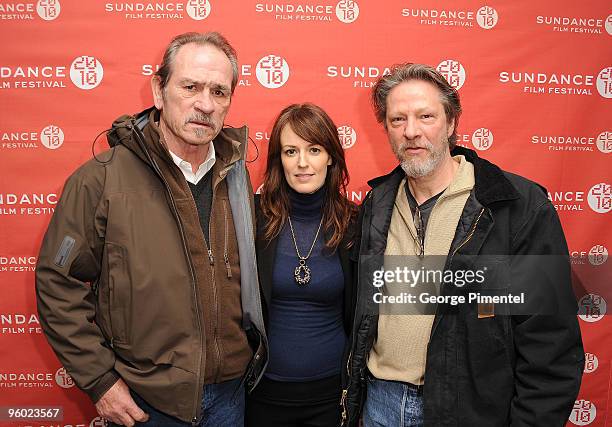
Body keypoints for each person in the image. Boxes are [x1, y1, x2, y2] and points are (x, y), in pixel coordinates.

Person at [35, 32, 267, 427]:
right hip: (146, 403)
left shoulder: (236, 178)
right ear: (159, 91)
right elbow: (58, 283)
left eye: (219, 92)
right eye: (190, 86)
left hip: (230, 396)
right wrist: (100, 381)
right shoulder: (100, 180)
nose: (205, 105)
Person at [342, 63, 584, 426]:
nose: (411, 132)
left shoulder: (516, 206)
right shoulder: (376, 206)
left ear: (451, 123)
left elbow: (551, 344)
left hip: (470, 411)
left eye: (426, 116)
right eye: (397, 120)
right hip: (381, 406)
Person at [246, 103, 357, 427]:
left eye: (314, 149)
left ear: (331, 156)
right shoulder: (252, 218)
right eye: (291, 151)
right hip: (262, 393)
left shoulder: (356, 224)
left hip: (330, 395)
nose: (303, 163)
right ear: (278, 160)